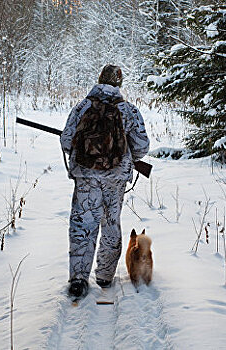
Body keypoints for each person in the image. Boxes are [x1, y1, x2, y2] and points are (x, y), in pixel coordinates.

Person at [60, 65, 150, 298]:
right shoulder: (128, 110)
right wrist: (125, 159)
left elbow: (66, 140)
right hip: (115, 178)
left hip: (86, 177)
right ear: (119, 84)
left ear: (99, 80)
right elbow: (142, 146)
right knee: (111, 223)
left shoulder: (82, 107)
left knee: (82, 225)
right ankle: (105, 276)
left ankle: (79, 280)